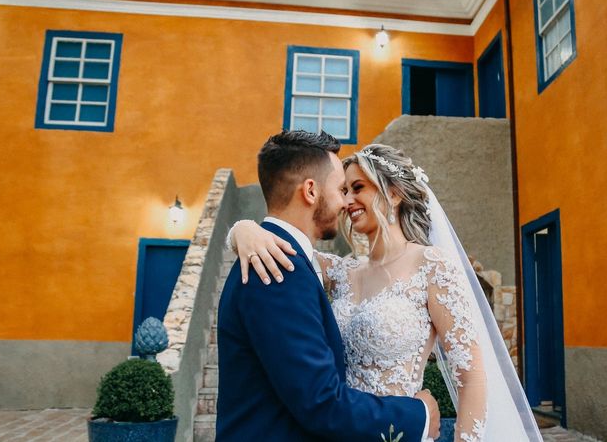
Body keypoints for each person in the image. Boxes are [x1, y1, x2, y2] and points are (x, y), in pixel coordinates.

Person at [231, 142, 544, 441]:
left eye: (358, 188)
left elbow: (472, 377)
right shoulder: (342, 271)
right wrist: (242, 230)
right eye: (343, 190)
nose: (347, 201)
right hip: (341, 430)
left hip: (400, 433)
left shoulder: (432, 267)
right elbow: (287, 251)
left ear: (393, 194)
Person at [215, 131, 439, 442]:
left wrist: (243, 228)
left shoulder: (287, 260)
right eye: (340, 189)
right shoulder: (280, 271)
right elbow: (321, 403)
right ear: (310, 191)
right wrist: (420, 417)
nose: (347, 202)